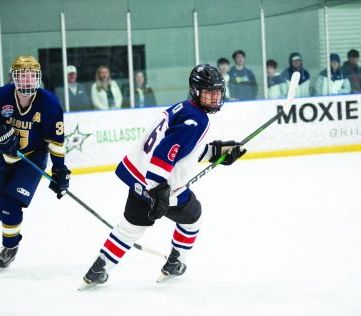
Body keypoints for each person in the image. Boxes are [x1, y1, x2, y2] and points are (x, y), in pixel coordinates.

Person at [80, 64, 246, 288]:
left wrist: (217, 152)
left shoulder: (182, 108)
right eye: (209, 92)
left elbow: (182, 149)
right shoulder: (198, 120)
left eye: (217, 92)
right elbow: (165, 153)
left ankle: (98, 269)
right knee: (193, 215)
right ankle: (175, 263)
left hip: (139, 177)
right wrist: (158, 190)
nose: (215, 97)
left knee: (129, 229)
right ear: (195, 90)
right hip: (160, 184)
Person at [0, 56, 71, 271]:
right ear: (13, 77)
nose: (27, 81)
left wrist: (59, 169)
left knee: (11, 205)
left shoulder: (49, 104)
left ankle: (10, 248)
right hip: (2, 158)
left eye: (31, 76)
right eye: (22, 75)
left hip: (31, 160)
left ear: (38, 78)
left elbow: (56, 142)